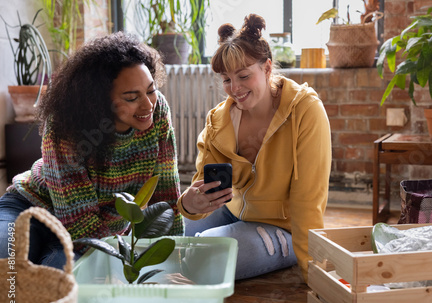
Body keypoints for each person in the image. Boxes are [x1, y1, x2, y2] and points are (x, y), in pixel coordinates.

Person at [0, 32, 184, 269]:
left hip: (96, 228)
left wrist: (176, 259)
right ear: (99, 100)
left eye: (151, 90)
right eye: (131, 97)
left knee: (64, 278)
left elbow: (165, 197)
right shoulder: (66, 125)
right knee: (7, 269)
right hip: (31, 208)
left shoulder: (158, 112)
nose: (148, 104)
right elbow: (79, 222)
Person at [178, 14, 331, 282]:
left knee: (205, 256)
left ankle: (286, 251)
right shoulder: (218, 121)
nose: (234, 89)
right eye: (226, 79)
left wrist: (315, 273)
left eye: (243, 76)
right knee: (163, 236)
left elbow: (309, 199)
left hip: (282, 225)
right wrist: (190, 204)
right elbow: (201, 190)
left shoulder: (306, 111)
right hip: (231, 210)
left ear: (267, 68)